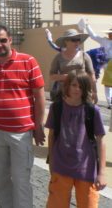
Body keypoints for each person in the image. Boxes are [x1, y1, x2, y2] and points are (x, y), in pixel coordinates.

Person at [0, 24, 46, 208]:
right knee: (1, 180)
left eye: (2, 40)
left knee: (21, 180)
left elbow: (39, 96)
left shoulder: (28, 61)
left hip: (22, 133)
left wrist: (38, 126)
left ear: (10, 40)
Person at [45, 73, 106, 207]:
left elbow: (101, 141)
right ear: (67, 85)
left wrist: (101, 173)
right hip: (61, 167)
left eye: (81, 87)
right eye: (74, 85)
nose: (77, 89)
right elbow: (52, 136)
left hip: (86, 169)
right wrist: (52, 163)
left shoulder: (92, 110)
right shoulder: (57, 107)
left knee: (88, 204)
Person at [50, 29, 96, 102]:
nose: (77, 42)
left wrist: (94, 92)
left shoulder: (84, 55)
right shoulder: (58, 57)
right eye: (73, 40)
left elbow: (91, 74)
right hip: (65, 93)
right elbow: (51, 76)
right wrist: (66, 77)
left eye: (78, 39)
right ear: (66, 41)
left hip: (83, 92)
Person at [84, 22, 112, 109]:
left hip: (107, 64)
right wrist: (87, 26)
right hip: (107, 63)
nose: (110, 35)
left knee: (108, 83)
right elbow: (93, 36)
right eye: (110, 33)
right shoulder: (104, 40)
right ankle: (110, 102)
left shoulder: (104, 41)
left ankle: (110, 101)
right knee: (108, 84)